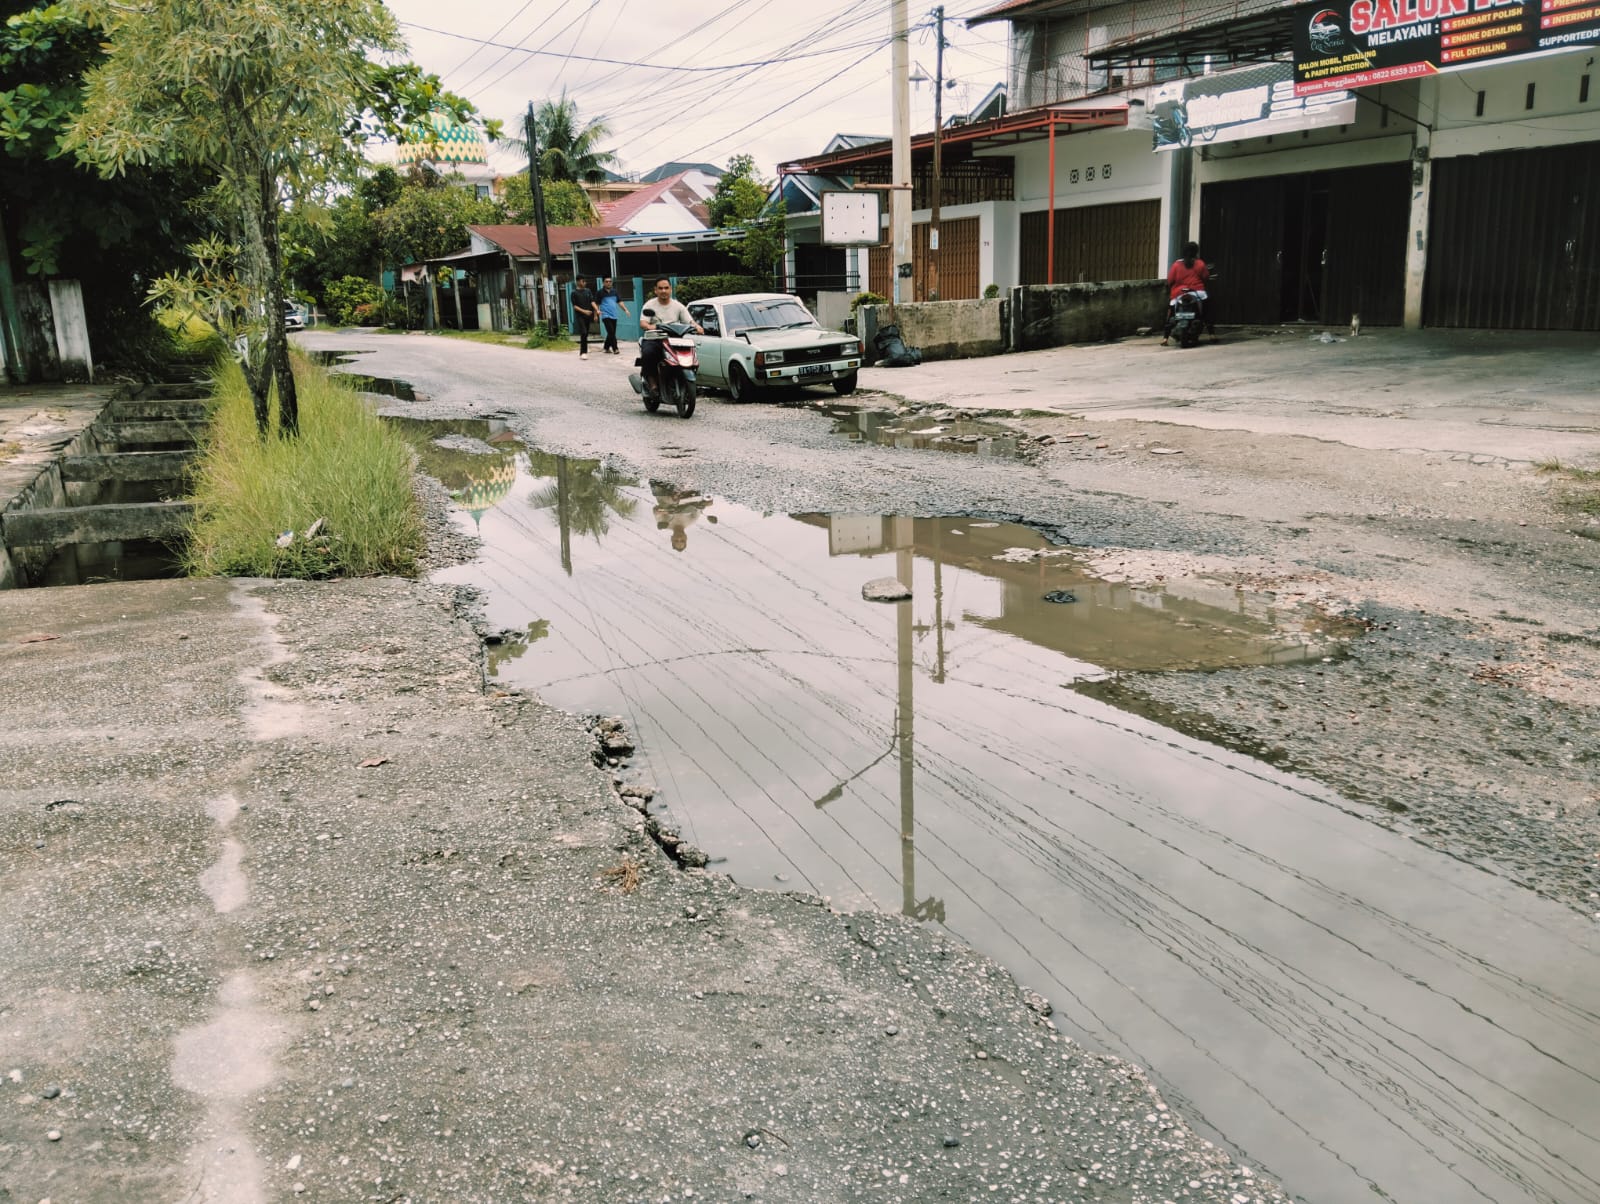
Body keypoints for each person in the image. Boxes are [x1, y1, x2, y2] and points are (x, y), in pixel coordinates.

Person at [638, 276, 701, 396]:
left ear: (671, 289)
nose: (663, 291)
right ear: (655, 290)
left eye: (666, 288)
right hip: (654, 338)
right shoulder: (649, 305)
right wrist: (652, 327)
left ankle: (685, 380)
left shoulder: (678, 306)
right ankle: (652, 382)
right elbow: (643, 322)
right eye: (660, 288)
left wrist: (697, 327)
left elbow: (689, 321)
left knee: (690, 353)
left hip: (674, 339)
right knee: (648, 353)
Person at [1162, 241, 1209, 345]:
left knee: (1170, 312)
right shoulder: (1200, 263)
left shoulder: (1176, 264)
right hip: (1197, 292)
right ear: (1196, 252)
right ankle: (1212, 333)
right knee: (1207, 308)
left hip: (1178, 293)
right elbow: (1205, 277)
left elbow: (1170, 280)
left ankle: (1165, 338)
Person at [570, 276, 600, 359]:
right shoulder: (574, 293)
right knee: (583, 332)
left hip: (588, 316)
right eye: (583, 281)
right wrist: (585, 311)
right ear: (579, 282)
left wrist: (597, 310)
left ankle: (582, 351)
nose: (585, 283)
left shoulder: (588, 291)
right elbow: (575, 306)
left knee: (585, 333)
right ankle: (584, 352)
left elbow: (592, 301)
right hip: (580, 316)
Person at [598, 277, 629, 355]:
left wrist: (625, 310)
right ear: (603, 283)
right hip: (605, 315)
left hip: (614, 315)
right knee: (611, 332)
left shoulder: (615, 292)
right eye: (606, 281)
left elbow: (620, 302)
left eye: (610, 281)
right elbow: (596, 303)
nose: (608, 283)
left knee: (611, 332)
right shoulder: (600, 292)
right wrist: (596, 314)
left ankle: (606, 347)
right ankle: (615, 348)